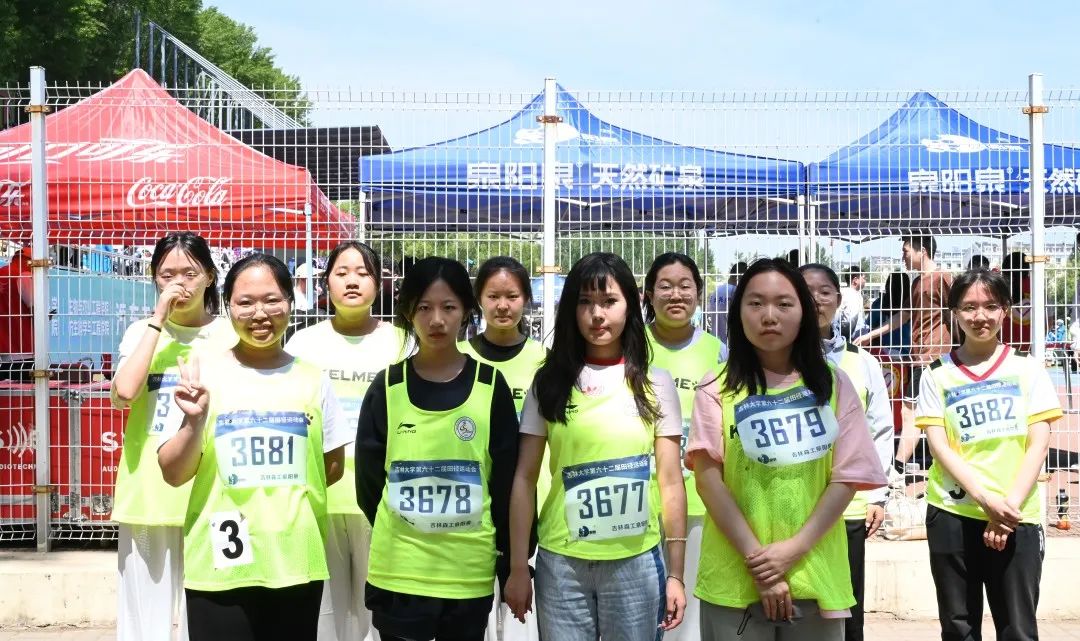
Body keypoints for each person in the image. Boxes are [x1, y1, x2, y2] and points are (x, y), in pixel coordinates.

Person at [687, 257, 886, 640]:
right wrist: (762, 564)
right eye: (755, 303)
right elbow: (709, 483)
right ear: (739, 312)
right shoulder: (716, 388)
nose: (769, 316)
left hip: (815, 575)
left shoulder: (835, 386)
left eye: (784, 304)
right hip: (734, 581)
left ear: (803, 313)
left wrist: (793, 550)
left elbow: (845, 478)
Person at [158, 253, 349, 641]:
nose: (260, 313)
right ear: (228, 306)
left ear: (290, 303)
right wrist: (194, 421)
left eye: (272, 300)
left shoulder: (313, 379)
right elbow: (173, 473)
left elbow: (331, 467)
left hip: (296, 562)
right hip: (220, 566)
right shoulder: (200, 375)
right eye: (245, 302)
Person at [504, 252, 687, 641]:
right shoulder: (548, 382)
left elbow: (672, 481)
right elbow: (524, 478)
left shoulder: (656, 383)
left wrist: (676, 573)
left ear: (631, 305)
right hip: (562, 565)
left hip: (636, 563)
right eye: (585, 302)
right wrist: (519, 566)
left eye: (609, 301)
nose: (597, 314)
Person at [355, 257, 520, 641]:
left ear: (466, 311)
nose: (437, 320)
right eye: (424, 308)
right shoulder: (387, 387)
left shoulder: (489, 385)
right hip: (399, 571)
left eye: (448, 307)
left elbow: (506, 481)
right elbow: (368, 483)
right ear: (408, 313)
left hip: (467, 573)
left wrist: (511, 559)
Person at [915, 268, 1061, 641]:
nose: (980, 316)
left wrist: (1006, 509)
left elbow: (1038, 443)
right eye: (969, 307)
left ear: (1005, 310)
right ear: (954, 312)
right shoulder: (936, 374)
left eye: (990, 306)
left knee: (1018, 628)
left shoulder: (1027, 369)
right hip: (953, 513)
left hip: (1016, 515)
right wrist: (985, 501)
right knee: (958, 627)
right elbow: (939, 446)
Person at [111, 233, 237, 641]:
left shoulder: (231, 334)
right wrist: (158, 321)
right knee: (144, 620)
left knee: (213, 613)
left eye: (189, 273)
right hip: (149, 496)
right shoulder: (141, 332)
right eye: (167, 275)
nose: (178, 284)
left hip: (215, 492)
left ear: (211, 277)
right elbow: (126, 391)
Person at [286, 241, 408, 641]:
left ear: (379, 282)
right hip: (319, 496)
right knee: (326, 614)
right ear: (326, 283)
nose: (351, 281)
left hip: (382, 498)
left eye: (362, 272)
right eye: (341, 273)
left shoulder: (403, 343)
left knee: (379, 614)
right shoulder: (302, 344)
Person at [800, 264, 894, 641]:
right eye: (805, 291)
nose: (816, 300)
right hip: (793, 506)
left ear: (839, 300)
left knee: (847, 611)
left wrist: (877, 495)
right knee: (798, 609)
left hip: (849, 507)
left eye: (825, 292)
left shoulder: (863, 362)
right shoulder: (774, 361)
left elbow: (880, 430)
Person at [455, 256, 547, 641]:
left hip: (531, 506)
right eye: (493, 296)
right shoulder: (459, 358)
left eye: (512, 296)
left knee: (522, 623)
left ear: (526, 299)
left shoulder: (545, 361)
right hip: (472, 509)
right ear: (478, 300)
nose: (503, 305)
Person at [642, 252, 725, 641]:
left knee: (685, 617)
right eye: (665, 286)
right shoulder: (631, 346)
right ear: (648, 294)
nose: (675, 295)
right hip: (638, 503)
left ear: (699, 293)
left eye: (685, 286)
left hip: (697, 503)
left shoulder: (718, 352)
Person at [856, 236, 952, 481]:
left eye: (906, 251)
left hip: (932, 357)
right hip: (919, 356)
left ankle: (898, 467)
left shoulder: (943, 278)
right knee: (922, 413)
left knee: (912, 411)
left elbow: (957, 312)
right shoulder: (918, 281)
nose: (903, 257)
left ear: (923, 251)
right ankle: (908, 466)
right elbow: (906, 314)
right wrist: (871, 335)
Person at [0, 246, 34, 380]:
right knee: (25, 388)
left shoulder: (2, 272)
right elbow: (34, 307)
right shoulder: (24, 274)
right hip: (23, 346)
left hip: (3, 346)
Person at [866, 271, 911, 355]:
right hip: (909, 352)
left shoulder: (879, 303)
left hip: (883, 352)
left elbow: (870, 327)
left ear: (888, 285)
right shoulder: (913, 304)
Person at [1000, 251, 1032, 354]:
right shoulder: (1036, 286)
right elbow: (1049, 320)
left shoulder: (999, 288)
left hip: (1003, 347)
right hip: (1031, 346)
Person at [707, 261, 747, 343]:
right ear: (740, 276)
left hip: (715, 338)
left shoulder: (716, 291)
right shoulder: (735, 292)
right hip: (731, 340)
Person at [837, 268, 867, 341]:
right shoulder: (850, 295)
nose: (865, 281)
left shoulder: (854, 294)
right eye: (864, 278)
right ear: (855, 280)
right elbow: (849, 320)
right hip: (852, 338)